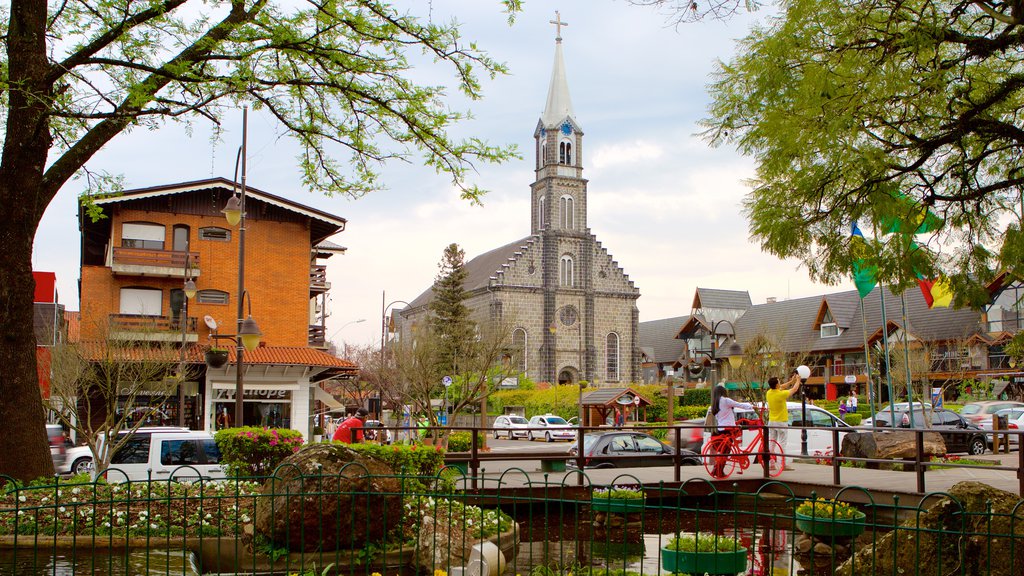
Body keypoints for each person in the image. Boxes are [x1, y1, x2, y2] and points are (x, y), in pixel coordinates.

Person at [710, 384, 754, 476]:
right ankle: (719, 471)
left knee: (724, 451)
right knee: (726, 451)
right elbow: (739, 405)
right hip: (729, 428)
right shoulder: (726, 400)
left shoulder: (715, 403)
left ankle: (716, 470)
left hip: (721, 428)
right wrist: (751, 406)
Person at [765, 372, 800, 471]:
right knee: (782, 443)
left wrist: (791, 381)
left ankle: (771, 464)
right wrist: (798, 380)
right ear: (776, 385)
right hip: (781, 421)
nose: (780, 383)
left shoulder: (769, 393)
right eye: (779, 382)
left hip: (772, 421)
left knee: (772, 443)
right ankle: (783, 465)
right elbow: (794, 389)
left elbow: (782, 386)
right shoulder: (781, 394)